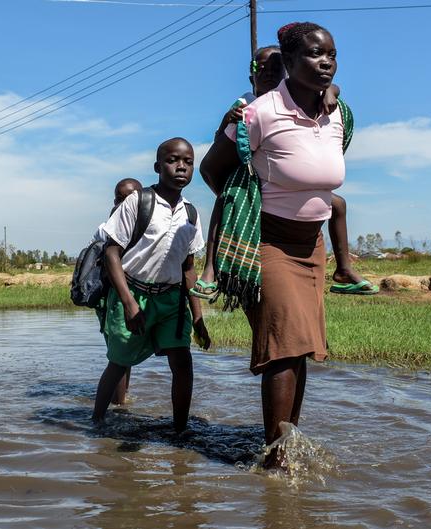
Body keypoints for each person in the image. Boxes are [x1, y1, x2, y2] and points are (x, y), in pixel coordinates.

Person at [199, 22, 345, 466]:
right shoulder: (256, 114)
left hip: (312, 246)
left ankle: (289, 439)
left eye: (332, 56)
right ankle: (276, 458)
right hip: (269, 241)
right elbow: (211, 170)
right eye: (316, 55)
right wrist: (244, 203)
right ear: (290, 62)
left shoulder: (338, 113)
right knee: (283, 345)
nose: (326, 63)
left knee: (300, 347)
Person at [192, 45, 376, 300]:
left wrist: (330, 92)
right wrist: (227, 119)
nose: (267, 72)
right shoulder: (247, 105)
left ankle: (343, 268)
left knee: (339, 205)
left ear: (289, 71)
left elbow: (333, 87)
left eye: (275, 67)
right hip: (247, 181)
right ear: (251, 77)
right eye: (260, 68)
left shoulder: (301, 103)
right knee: (227, 201)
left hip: (290, 199)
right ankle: (210, 269)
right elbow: (219, 149)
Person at [92, 137, 211, 433]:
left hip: (171, 300)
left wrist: (198, 318)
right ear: (158, 166)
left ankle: (180, 432)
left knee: (183, 363)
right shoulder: (138, 202)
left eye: (187, 162)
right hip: (133, 293)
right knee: (119, 362)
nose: (181, 167)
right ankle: (96, 423)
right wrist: (129, 303)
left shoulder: (191, 215)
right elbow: (111, 253)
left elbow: (188, 269)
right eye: (172, 160)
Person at [92, 178, 143, 405]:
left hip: (135, 295)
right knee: (120, 356)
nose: (125, 203)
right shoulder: (107, 228)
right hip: (112, 299)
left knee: (126, 354)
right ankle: (120, 405)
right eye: (120, 199)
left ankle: (120, 398)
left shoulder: (145, 224)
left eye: (131, 198)